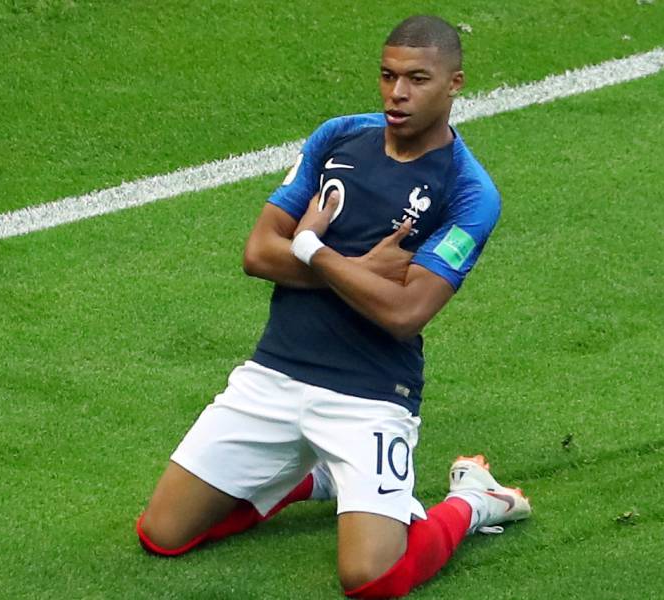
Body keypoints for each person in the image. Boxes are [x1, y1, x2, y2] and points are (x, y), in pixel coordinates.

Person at [136, 14, 530, 598]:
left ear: (455, 84)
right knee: (161, 534)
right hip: (272, 375)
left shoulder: (470, 193)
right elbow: (257, 252)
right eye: (388, 76)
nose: (397, 93)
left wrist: (313, 249)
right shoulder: (337, 137)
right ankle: (316, 478)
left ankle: (474, 501)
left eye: (418, 79)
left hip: (369, 397)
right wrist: (358, 270)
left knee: (370, 579)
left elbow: (404, 313)